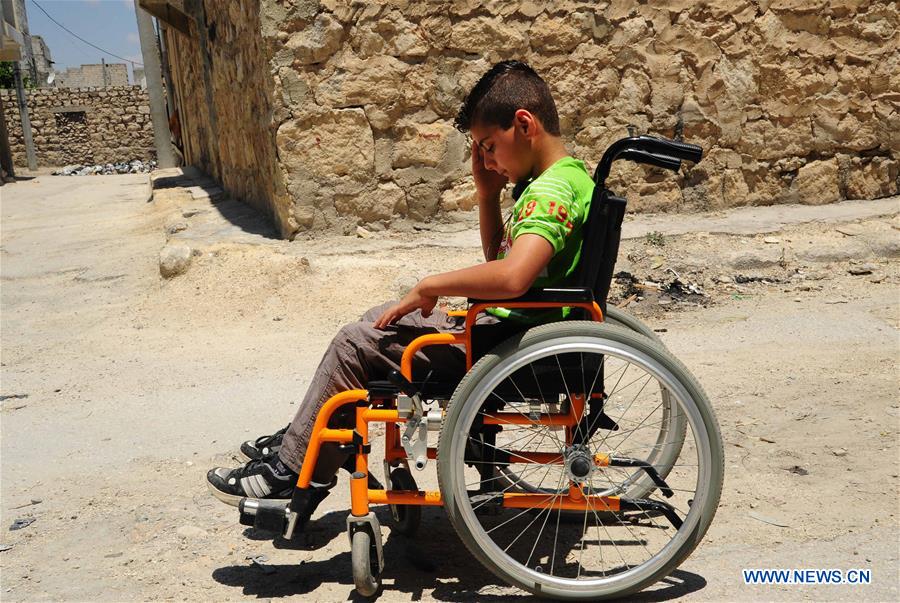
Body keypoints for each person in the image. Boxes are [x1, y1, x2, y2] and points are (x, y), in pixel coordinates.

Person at [206, 60, 595, 524]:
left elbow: (511, 278)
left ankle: (291, 471)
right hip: (514, 329)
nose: (488, 160)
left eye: (489, 147)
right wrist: (487, 196)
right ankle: (303, 437)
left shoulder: (548, 193)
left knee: (356, 343)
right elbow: (504, 261)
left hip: (508, 344)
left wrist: (430, 285)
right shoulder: (567, 177)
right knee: (378, 318)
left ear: (524, 124)